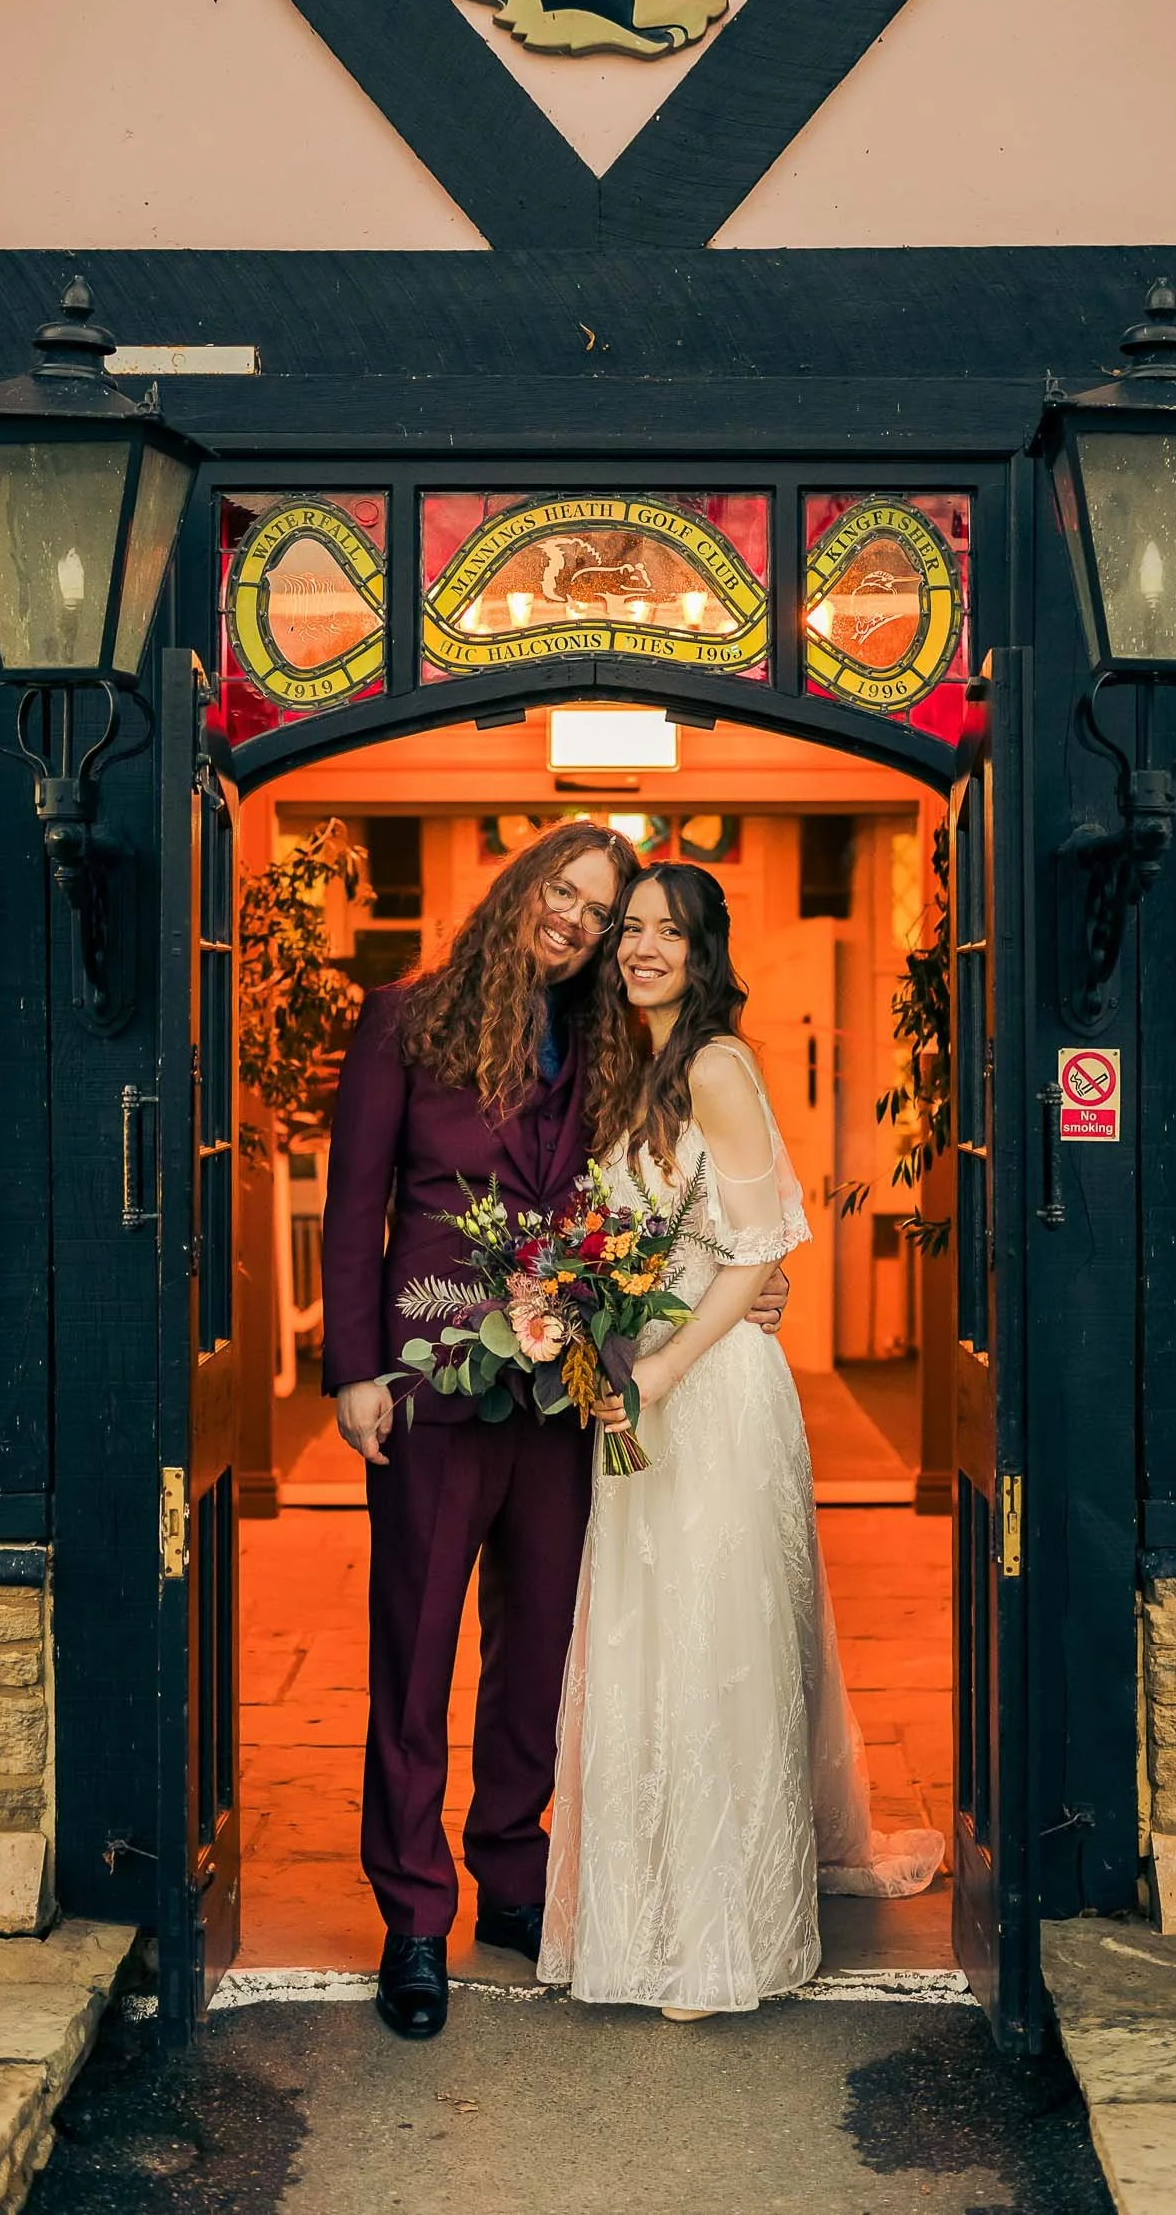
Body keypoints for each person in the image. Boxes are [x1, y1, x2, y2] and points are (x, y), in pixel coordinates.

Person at [323, 821, 786, 2041]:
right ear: (523, 888)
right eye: (567, 893)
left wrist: (730, 1280)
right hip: (432, 1386)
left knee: (539, 1652)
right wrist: (354, 1370)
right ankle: (413, 1913)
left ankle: (512, 1878)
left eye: (603, 909)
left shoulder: (601, 1046)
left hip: (561, 1393)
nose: (580, 920)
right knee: (412, 1653)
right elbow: (354, 1200)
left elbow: (668, 1193)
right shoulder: (405, 1019)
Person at [538, 863, 944, 2017]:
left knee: (713, 1648)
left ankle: (718, 1942)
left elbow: (765, 1247)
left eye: (666, 931)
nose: (641, 947)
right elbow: (640, 1243)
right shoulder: (637, 1069)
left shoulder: (716, 1063)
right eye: (629, 929)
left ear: (703, 951)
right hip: (643, 1392)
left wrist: (661, 1362)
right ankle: (645, 1918)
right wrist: (596, 1339)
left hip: (711, 1397)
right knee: (644, 1644)